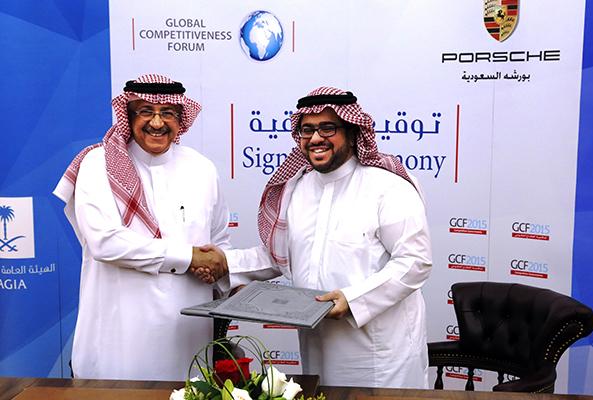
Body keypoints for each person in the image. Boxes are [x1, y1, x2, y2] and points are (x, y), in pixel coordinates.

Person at [211, 86, 432, 388]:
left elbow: (415, 261)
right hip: (316, 342)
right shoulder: (296, 188)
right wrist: (223, 263)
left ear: (352, 132)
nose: (316, 138)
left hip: (380, 352)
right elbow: (280, 253)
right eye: (307, 130)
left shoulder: (388, 187)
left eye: (328, 128)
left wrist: (352, 300)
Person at [53, 74, 230, 381]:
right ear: (129, 116)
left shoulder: (202, 168)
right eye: (146, 111)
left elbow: (219, 242)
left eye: (168, 113)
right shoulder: (97, 164)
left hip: (187, 341)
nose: (157, 123)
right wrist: (190, 258)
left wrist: (217, 268)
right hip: (117, 342)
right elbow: (106, 242)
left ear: (181, 118)